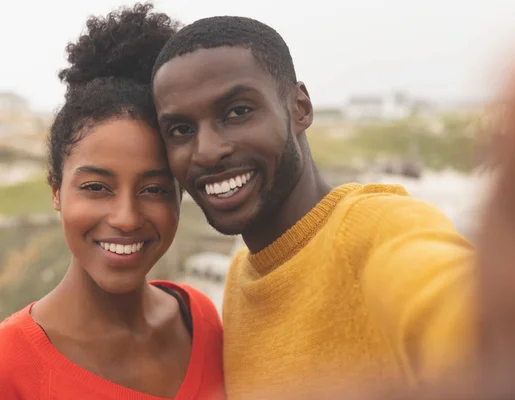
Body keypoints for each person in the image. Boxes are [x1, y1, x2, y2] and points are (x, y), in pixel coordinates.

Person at [151, 16, 473, 400]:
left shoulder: (377, 229)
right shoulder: (243, 278)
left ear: (300, 108)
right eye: (181, 130)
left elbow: (448, 301)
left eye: (237, 112)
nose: (207, 151)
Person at [0, 4, 224, 399]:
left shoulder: (202, 321)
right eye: (96, 187)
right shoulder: (8, 365)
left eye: (153, 189)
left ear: (180, 194)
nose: (126, 218)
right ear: (56, 189)